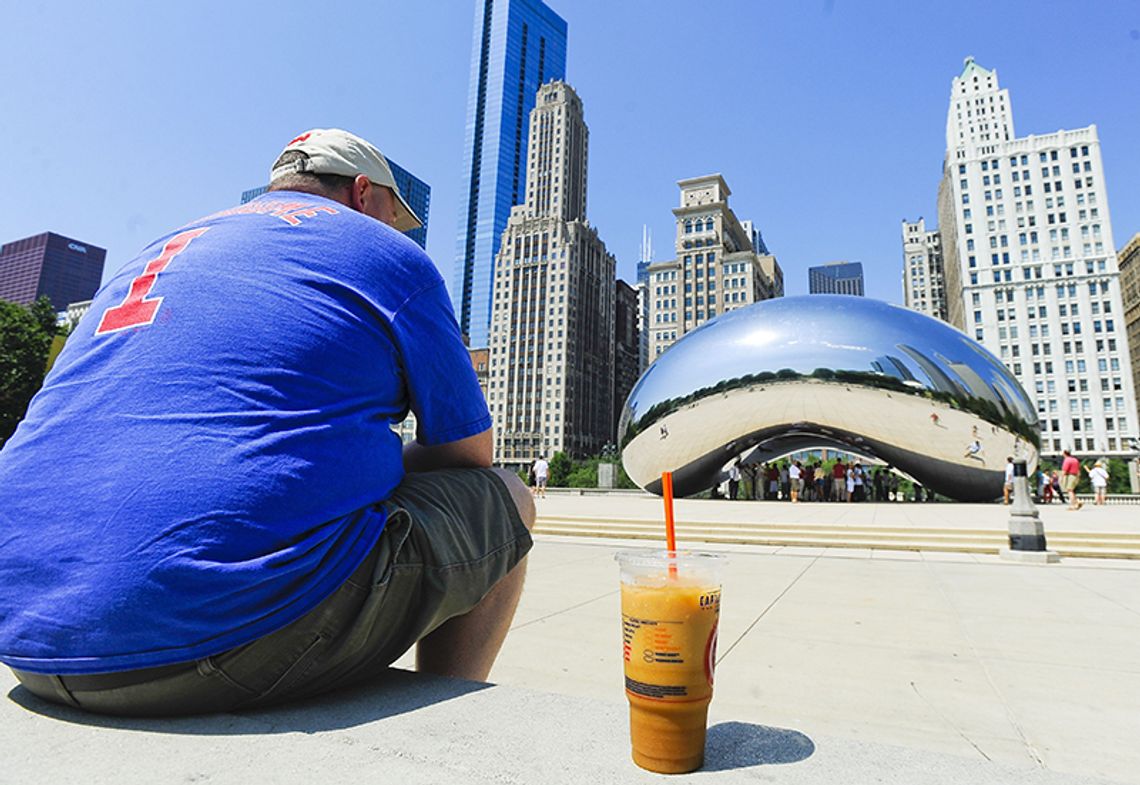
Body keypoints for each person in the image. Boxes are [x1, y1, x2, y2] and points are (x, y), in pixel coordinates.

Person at [0, 129, 535, 717]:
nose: (393, 230)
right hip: (209, 644)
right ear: (362, 193)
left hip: (26, 632)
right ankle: (450, 731)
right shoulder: (388, 256)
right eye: (391, 213)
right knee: (504, 496)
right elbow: (469, 454)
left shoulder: (159, 250)